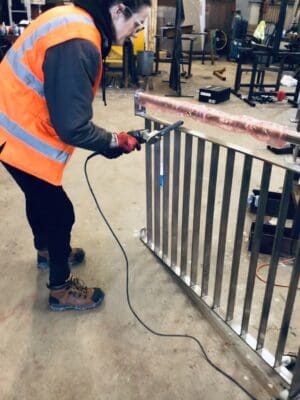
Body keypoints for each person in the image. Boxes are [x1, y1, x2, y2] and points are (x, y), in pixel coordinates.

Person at [0, 0, 151, 311]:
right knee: (60, 213)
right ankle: (60, 290)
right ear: (118, 10)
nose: (135, 34)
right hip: (17, 131)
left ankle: (46, 251)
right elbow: (73, 127)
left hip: (12, 119)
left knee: (40, 199)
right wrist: (112, 142)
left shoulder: (71, 18)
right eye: (136, 25)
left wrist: (109, 142)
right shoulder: (80, 41)